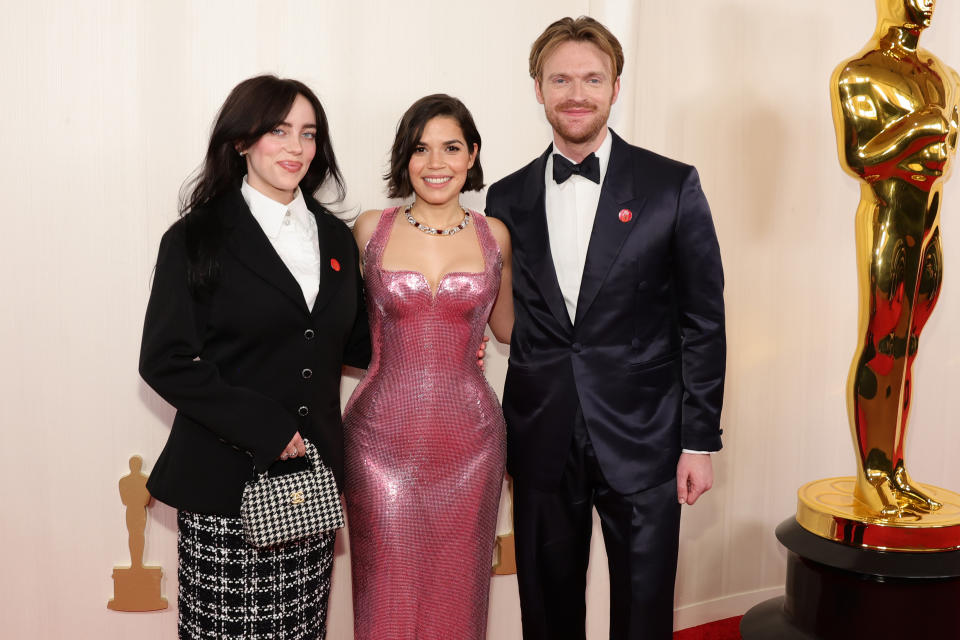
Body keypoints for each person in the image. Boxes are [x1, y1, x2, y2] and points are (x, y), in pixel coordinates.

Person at [485, 17, 726, 639]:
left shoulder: (672, 185)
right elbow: (509, 319)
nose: (576, 94)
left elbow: (704, 320)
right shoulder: (504, 199)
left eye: (593, 79)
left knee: (644, 616)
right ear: (536, 88)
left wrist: (698, 440)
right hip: (540, 435)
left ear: (616, 87)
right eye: (560, 78)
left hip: (647, 437)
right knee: (546, 612)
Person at [139, 75, 370, 640]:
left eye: (309, 134)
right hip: (224, 485)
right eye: (278, 130)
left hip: (308, 487)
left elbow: (357, 344)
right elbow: (164, 359)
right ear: (242, 141)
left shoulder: (338, 240)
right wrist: (264, 425)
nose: (296, 147)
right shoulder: (195, 238)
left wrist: (448, 330)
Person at [342, 94, 513, 640]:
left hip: (472, 445)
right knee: (384, 600)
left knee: (458, 601)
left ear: (472, 155)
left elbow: (509, 328)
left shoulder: (495, 235)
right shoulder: (372, 228)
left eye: (451, 147)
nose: (436, 163)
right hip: (379, 444)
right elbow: (334, 331)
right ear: (404, 157)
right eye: (421, 148)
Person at [832, 0, 959, 517]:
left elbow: (947, 150)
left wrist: (932, 131)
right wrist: (921, 128)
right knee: (883, 344)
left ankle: (895, 469)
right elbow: (859, 158)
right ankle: (873, 476)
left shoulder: (944, 74)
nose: (926, 2)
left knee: (906, 350)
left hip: (928, 224)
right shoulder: (859, 74)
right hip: (888, 217)